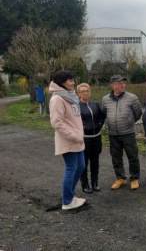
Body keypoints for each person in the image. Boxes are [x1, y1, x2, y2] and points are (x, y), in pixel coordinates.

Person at [48, 70, 87, 210]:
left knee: (81, 167)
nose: (73, 83)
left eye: (73, 80)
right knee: (71, 168)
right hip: (69, 139)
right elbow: (57, 122)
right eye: (70, 80)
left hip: (77, 140)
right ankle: (67, 201)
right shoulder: (57, 98)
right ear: (62, 82)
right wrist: (74, 135)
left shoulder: (70, 96)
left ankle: (70, 195)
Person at [102, 75, 143, 190]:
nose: (123, 85)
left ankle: (134, 178)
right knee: (116, 157)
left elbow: (138, 113)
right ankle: (120, 178)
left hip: (128, 133)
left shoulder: (132, 98)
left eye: (124, 83)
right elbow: (105, 114)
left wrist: (129, 122)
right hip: (113, 134)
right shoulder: (105, 99)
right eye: (120, 83)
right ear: (113, 85)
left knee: (132, 156)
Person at [77, 83, 105, 193]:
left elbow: (102, 116)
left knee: (95, 160)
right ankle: (85, 184)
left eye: (87, 90)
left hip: (96, 137)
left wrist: (99, 125)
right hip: (84, 138)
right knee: (83, 162)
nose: (85, 93)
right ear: (78, 93)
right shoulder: (77, 106)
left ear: (90, 92)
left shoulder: (95, 104)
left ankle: (95, 182)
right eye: (82, 91)